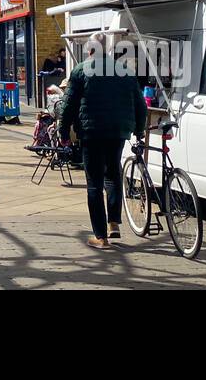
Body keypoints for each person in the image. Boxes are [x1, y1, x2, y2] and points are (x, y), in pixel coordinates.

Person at [58, 31, 147, 250]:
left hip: (92, 132)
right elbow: (140, 104)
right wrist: (138, 130)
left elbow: (68, 106)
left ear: (89, 51)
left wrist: (62, 132)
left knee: (94, 184)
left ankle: (101, 237)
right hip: (118, 132)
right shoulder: (125, 71)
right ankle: (114, 223)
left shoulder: (81, 71)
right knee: (113, 174)